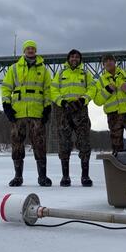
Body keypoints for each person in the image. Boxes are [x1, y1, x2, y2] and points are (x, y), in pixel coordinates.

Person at [1, 40, 52, 187]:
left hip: (37, 114)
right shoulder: (14, 68)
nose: (30, 50)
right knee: (17, 144)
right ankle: (18, 177)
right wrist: (6, 105)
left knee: (40, 144)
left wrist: (47, 107)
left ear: (35, 51)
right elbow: (6, 88)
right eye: (28, 48)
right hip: (18, 113)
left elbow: (48, 90)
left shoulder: (43, 70)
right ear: (24, 51)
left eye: (33, 48)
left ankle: (42, 177)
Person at [51, 49, 96, 187]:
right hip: (63, 110)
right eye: (72, 57)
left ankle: (85, 176)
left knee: (84, 141)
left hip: (80, 109)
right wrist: (62, 102)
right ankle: (65, 177)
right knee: (64, 142)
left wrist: (83, 100)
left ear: (80, 59)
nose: (74, 59)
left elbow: (92, 89)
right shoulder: (60, 73)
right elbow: (53, 90)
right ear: (68, 59)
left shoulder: (85, 74)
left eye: (77, 57)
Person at [94, 54, 126, 154]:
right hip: (113, 116)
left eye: (110, 60)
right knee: (117, 146)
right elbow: (97, 101)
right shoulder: (100, 81)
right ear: (103, 65)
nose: (108, 62)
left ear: (115, 62)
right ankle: (119, 169)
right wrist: (107, 90)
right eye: (106, 61)